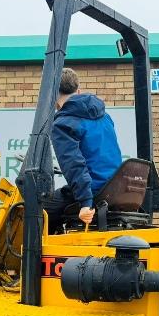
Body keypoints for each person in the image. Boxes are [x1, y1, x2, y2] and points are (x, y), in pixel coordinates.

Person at [43, 68, 123, 233]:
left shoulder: (63, 124)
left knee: (38, 211)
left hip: (93, 191)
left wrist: (86, 203)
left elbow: (74, 165)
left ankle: (35, 259)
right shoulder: (105, 116)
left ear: (53, 96)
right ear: (78, 91)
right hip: (114, 187)